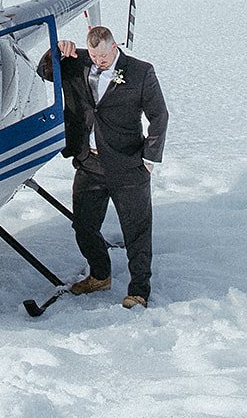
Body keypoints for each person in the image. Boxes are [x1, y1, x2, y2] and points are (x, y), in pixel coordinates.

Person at [41, 24, 168, 308]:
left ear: (115, 47)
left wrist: (149, 158)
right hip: (90, 162)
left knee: (136, 231)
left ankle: (138, 290)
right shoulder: (75, 63)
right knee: (84, 226)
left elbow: (159, 116)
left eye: (104, 57)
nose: (99, 62)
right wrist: (54, 51)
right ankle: (100, 275)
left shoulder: (140, 72)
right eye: (95, 57)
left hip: (128, 165)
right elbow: (45, 73)